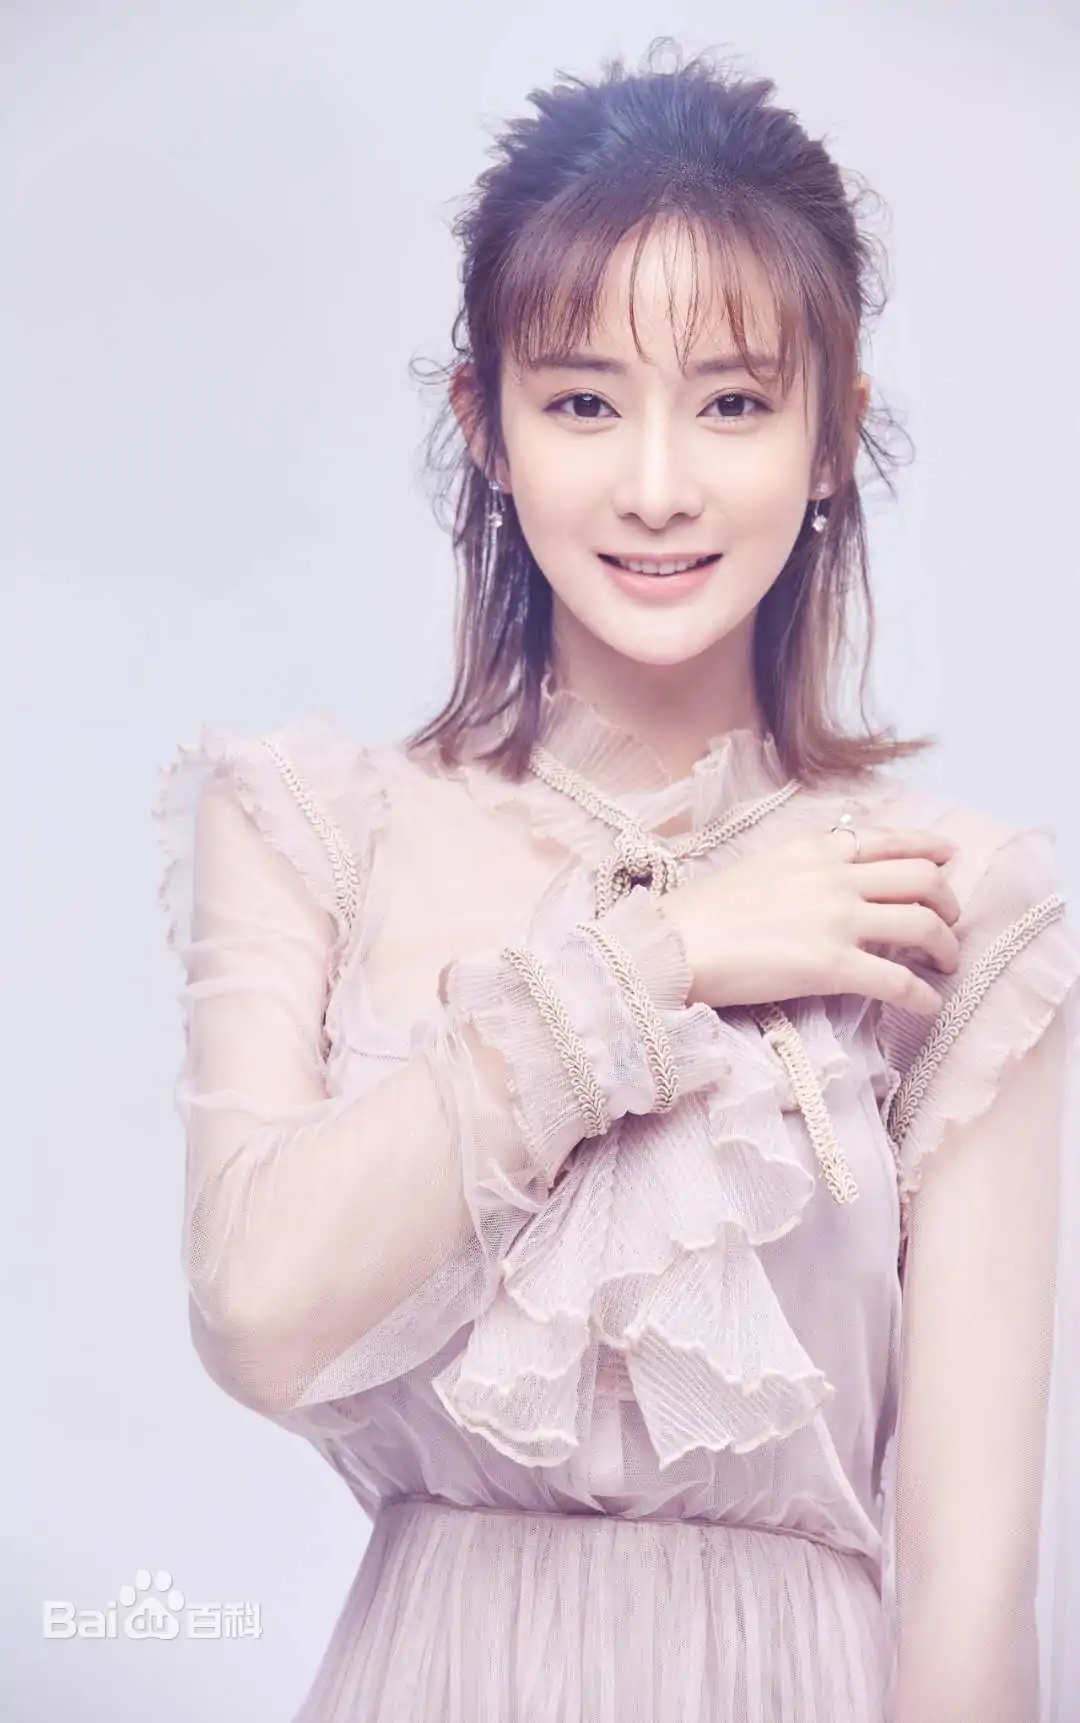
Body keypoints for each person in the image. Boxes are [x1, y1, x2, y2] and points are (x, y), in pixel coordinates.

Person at [152, 43, 1080, 1723]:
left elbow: (970, 1591)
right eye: (584, 401)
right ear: (486, 427)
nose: (657, 483)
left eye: (732, 401)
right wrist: (664, 955)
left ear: (832, 437)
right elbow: (253, 1308)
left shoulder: (956, 901)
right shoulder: (316, 827)